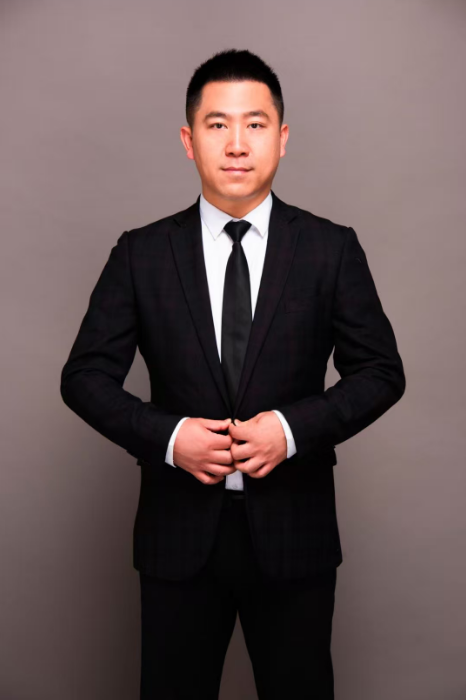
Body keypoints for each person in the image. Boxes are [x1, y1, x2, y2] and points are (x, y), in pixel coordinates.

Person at [60, 48, 405, 699]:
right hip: (177, 538)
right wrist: (169, 438)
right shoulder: (141, 254)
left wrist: (291, 430)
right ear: (189, 140)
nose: (237, 143)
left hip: (296, 536)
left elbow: (382, 372)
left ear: (282, 137)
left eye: (255, 123)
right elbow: (84, 377)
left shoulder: (330, 249)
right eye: (217, 124)